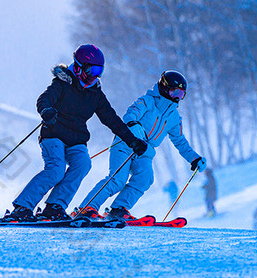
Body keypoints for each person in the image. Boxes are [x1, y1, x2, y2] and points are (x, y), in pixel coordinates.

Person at [0, 46, 148, 223]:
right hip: (53, 133)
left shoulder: (95, 93)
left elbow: (111, 119)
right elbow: (44, 99)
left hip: (76, 139)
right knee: (56, 170)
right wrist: (47, 111)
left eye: (99, 71)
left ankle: (54, 207)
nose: (95, 75)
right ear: (79, 67)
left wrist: (132, 141)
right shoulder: (62, 83)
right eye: (91, 70)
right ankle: (22, 207)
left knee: (83, 164)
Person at [74, 71, 206, 222]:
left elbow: (180, 141)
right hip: (126, 143)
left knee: (145, 178)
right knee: (118, 179)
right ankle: (87, 208)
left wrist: (194, 158)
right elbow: (131, 114)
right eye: (175, 91)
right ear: (164, 87)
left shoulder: (174, 116)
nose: (177, 97)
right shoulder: (147, 101)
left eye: (182, 94)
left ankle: (118, 209)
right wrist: (133, 125)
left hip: (145, 151)